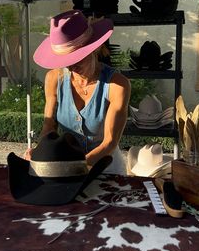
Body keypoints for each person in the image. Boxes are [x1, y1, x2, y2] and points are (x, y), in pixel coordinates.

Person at [25, 9, 131, 174]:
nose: (70, 66)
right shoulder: (54, 79)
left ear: (92, 48)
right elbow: (49, 126)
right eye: (65, 60)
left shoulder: (117, 84)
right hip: (65, 165)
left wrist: (74, 168)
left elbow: (109, 142)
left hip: (106, 167)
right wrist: (40, 152)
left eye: (76, 58)